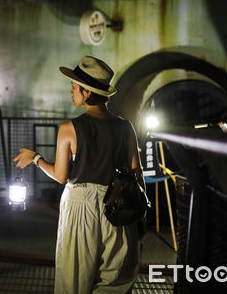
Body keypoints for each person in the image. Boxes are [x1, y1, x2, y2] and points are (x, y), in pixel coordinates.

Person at [13, 55, 145, 293]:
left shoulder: (69, 129)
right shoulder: (126, 127)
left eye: (73, 88)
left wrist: (36, 159)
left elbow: (61, 176)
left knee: (74, 279)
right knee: (117, 280)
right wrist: (139, 214)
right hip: (119, 203)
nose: (70, 92)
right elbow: (137, 172)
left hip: (80, 204)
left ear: (86, 93)